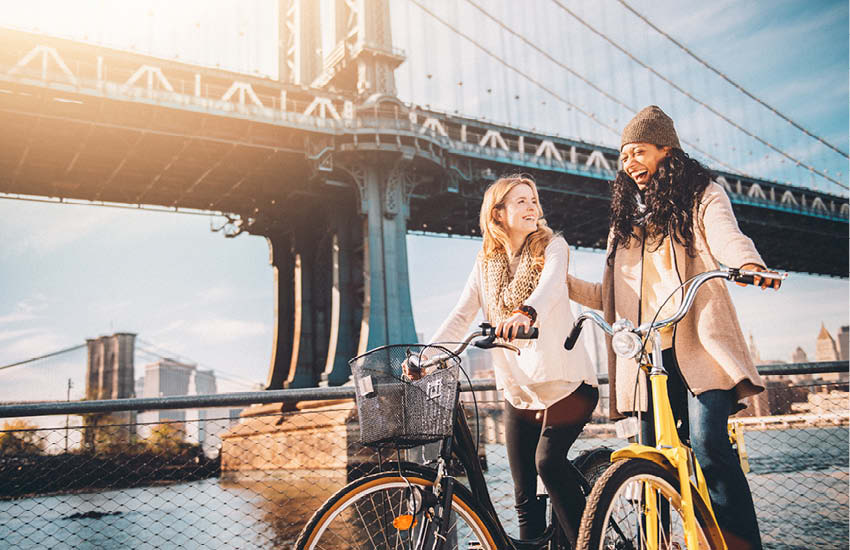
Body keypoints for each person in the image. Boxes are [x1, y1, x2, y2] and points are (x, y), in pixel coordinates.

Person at [567, 105, 780, 550]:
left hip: (698, 344)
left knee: (706, 444)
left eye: (639, 152)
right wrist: (558, 284)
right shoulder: (625, 223)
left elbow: (723, 232)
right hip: (647, 356)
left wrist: (746, 261)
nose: (630, 164)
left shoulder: (702, 194)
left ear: (668, 151)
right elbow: (609, 294)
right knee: (649, 461)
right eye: (624, 157)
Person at [406, 175, 598, 545]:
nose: (533, 208)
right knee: (524, 496)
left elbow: (552, 285)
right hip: (520, 390)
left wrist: (526, 311)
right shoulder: (485, 263)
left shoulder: (553, 247)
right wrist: (426, 359)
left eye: (534, 200)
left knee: (548, 464)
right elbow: (461, 315)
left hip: (568, 385)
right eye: (522, 201)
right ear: (498, 213)